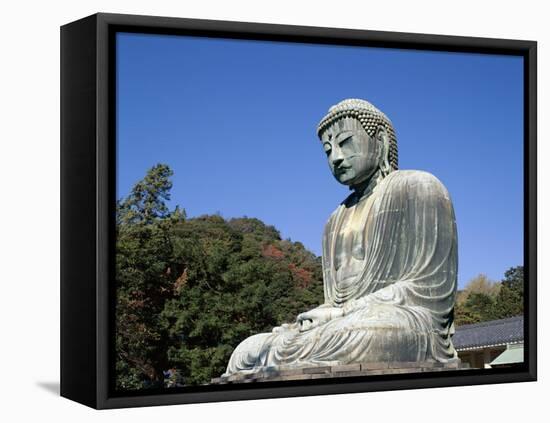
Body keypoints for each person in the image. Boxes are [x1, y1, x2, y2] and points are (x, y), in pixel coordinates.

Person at [223, 98, 458, 376]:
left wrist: (344, 313)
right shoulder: (334, 219)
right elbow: (333, 301)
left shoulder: (419, 187)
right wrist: (324, 316)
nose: (335, 157)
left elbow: (430, 289)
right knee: (249, 350)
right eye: (327, 150)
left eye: (345, 142)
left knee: (367, 333)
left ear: (380, 140)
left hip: (400, 320)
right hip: (342, 323)